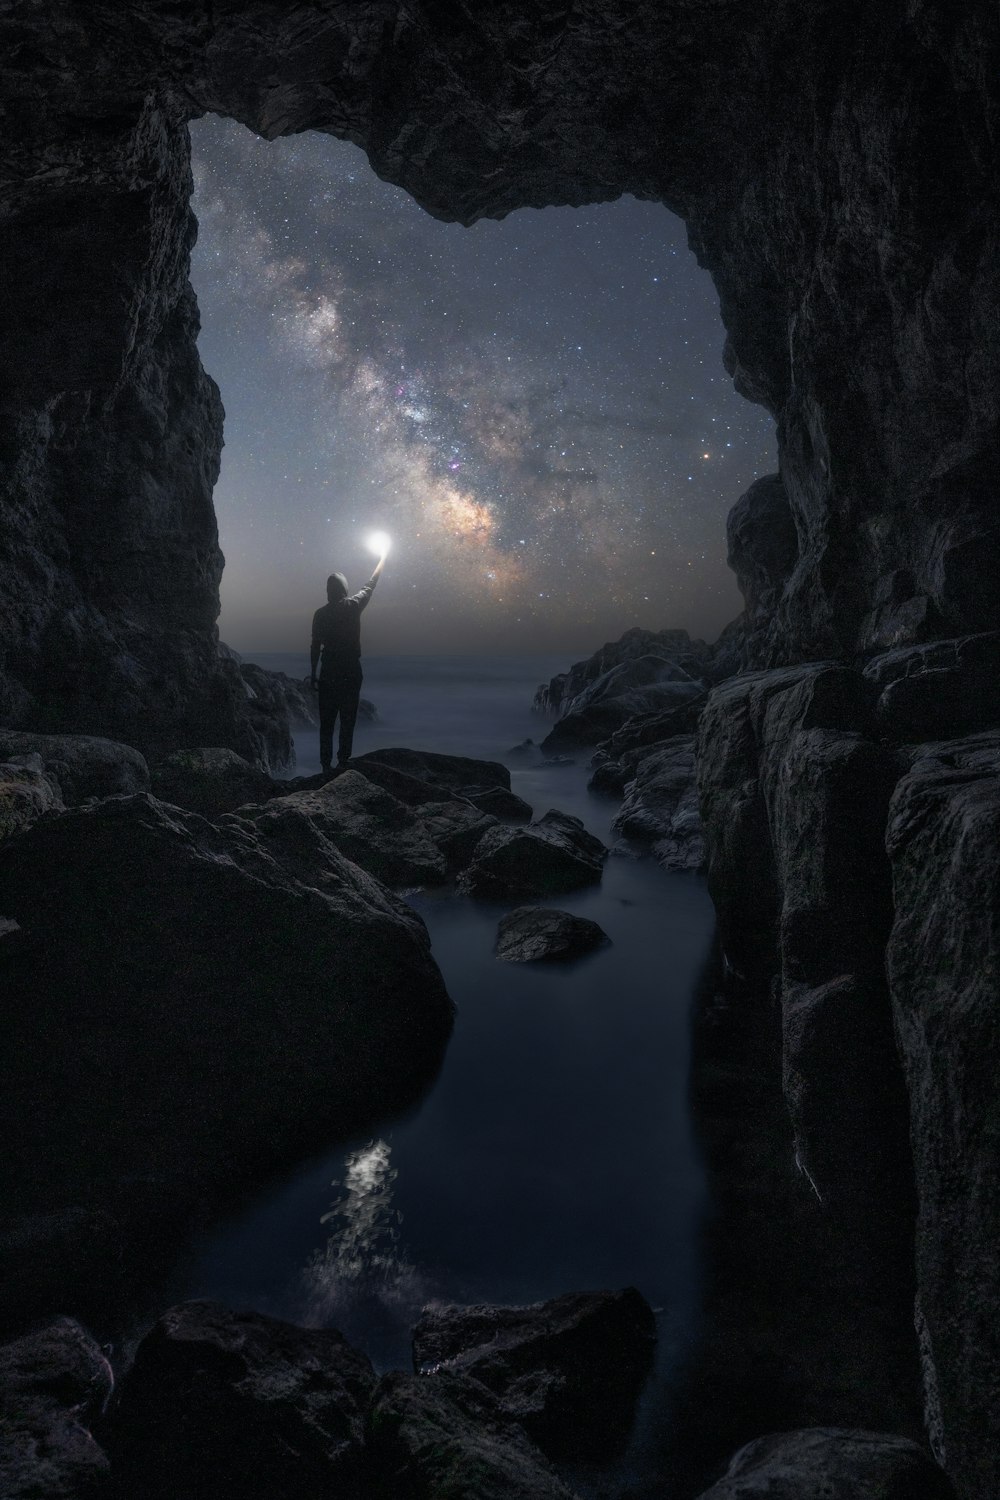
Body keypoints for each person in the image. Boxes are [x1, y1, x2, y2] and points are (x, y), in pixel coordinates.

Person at [310, 554, 385, 773]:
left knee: (327, 722)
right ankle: (343, 761)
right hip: (351, 670)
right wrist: (382, 561)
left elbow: (315, 646)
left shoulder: (320, 614)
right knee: (348, 719)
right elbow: (370, 585)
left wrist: (313, 673)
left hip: (328, 671)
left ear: (328, 590)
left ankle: (325, 766)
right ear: (344, 589)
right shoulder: (353, 606)